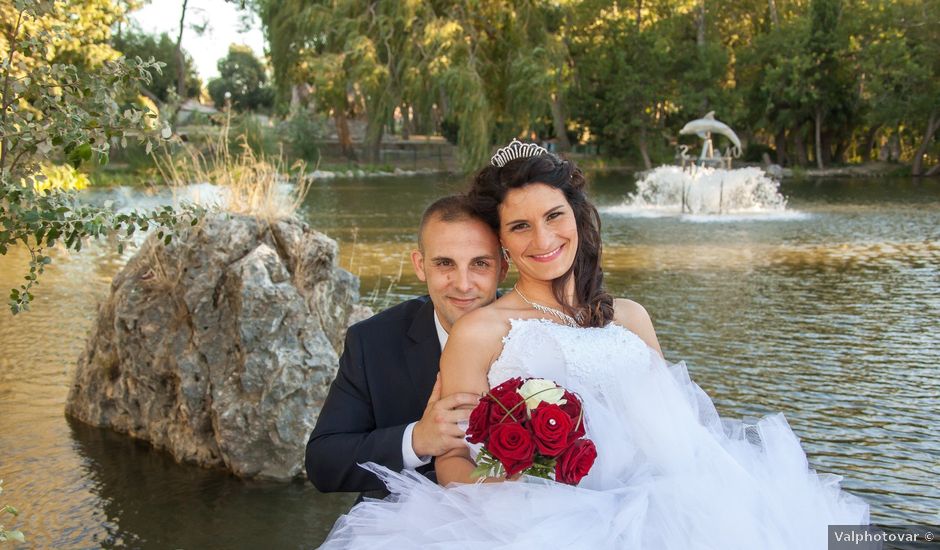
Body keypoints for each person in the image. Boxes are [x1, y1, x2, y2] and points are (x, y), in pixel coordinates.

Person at [320, 141, 869, 549]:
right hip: (539, 524)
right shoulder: (482, 331)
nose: (543, 239)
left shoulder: (630, 317)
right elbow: (454, 464)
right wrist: (521, 475)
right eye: (519, 227)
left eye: (554, 216)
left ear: (576, 216)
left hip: (669, 510)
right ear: (505, 245)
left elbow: (686, 431)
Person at [305, 195, 507, 499]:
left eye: (480, 263)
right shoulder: (372, 342)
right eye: (444, 263)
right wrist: (417, 440)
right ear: (420, 265)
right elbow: (323, 463)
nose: (463, 284)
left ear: (503, 267)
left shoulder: (535, 334)